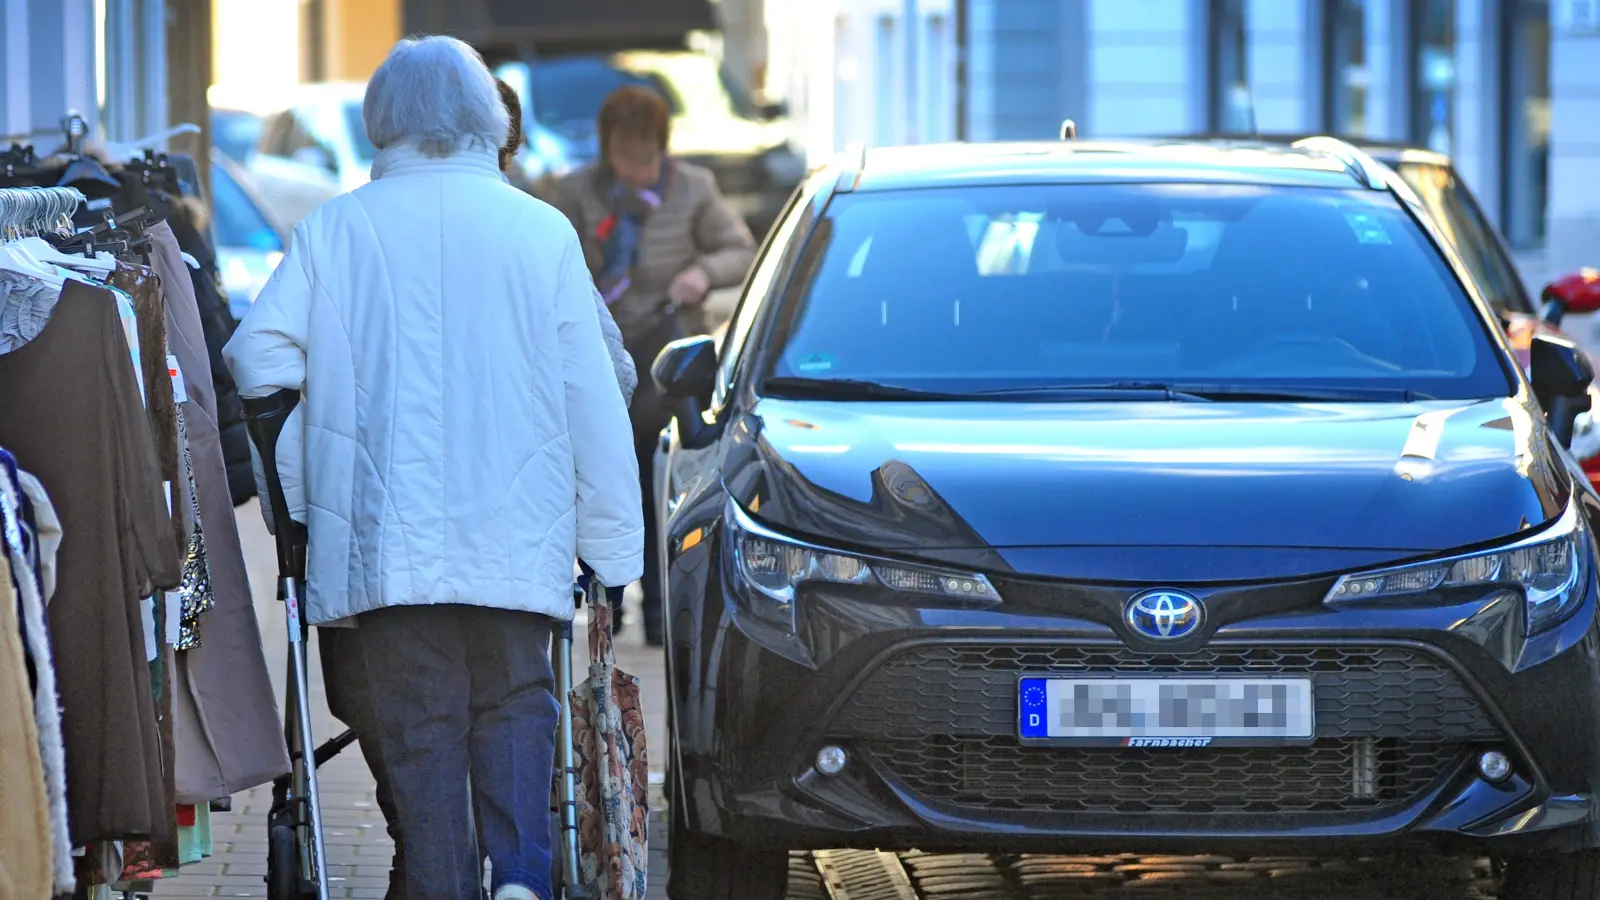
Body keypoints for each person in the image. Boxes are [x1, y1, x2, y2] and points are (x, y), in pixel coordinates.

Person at [223, 35, 643, 900]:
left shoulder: (334, 230)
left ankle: (445, 883)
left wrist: (306, 487)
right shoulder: (542, 233)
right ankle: (522, 878)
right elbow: (593, 395)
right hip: (518, 539)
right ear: (487, 119)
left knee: (420, 728)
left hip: (389, 546)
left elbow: (256, 354)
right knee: (520, 707)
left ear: (386, 122)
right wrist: (612, 551)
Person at [548, 85, 755, 646]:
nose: (637, 170)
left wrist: (702, 274)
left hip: (666, 355)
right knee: (601, 477)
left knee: (658, 478)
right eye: (625, 157)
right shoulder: (572, 192)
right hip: (598, 350)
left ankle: (663, 611)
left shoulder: (693, 189)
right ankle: (605, 605)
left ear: (664, 150)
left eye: (647, 158)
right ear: (605, 148)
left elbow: (740, 249)